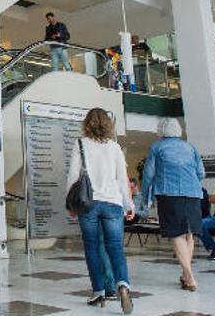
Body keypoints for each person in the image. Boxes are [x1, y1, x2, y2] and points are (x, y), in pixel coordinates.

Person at [67, 108, 134, 313]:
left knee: (92, 247)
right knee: (115, 247)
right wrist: (128, 205)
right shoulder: (114, 147)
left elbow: (73, 176)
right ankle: (122, 284)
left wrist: (70, 205)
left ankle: (98, 292)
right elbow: (122, 180)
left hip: (89, 204)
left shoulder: (80, 144)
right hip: (113, 203)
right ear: (107, 125)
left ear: (87, 124)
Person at [141, 117, 204, 291]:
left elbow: (148, 175)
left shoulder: (157, 147)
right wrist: (191, 183)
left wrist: (144, 197)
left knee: (176, 234)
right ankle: (185, 275)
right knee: (189, 234)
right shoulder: (190, 147)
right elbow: (201, 172)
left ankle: (190, 276)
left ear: (160, 130)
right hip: (193, 194)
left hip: (169, 194)